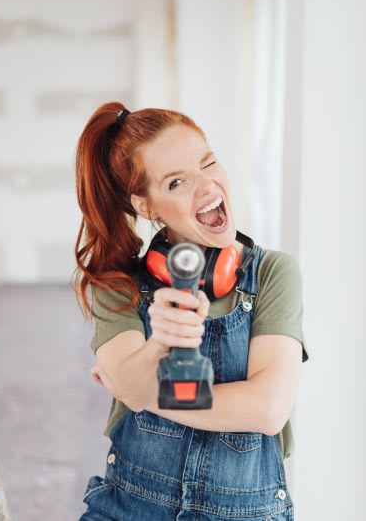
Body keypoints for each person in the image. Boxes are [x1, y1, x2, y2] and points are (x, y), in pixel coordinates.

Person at [73, 102, 309, 520]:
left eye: (209, 163)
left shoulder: (274, 274)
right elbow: (131, 385)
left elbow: (269, 409)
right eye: (177, 181)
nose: (206, 186)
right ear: (146, 205)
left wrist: (138, 388)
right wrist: (160, 343)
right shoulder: (118, 286)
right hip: (129, 509)